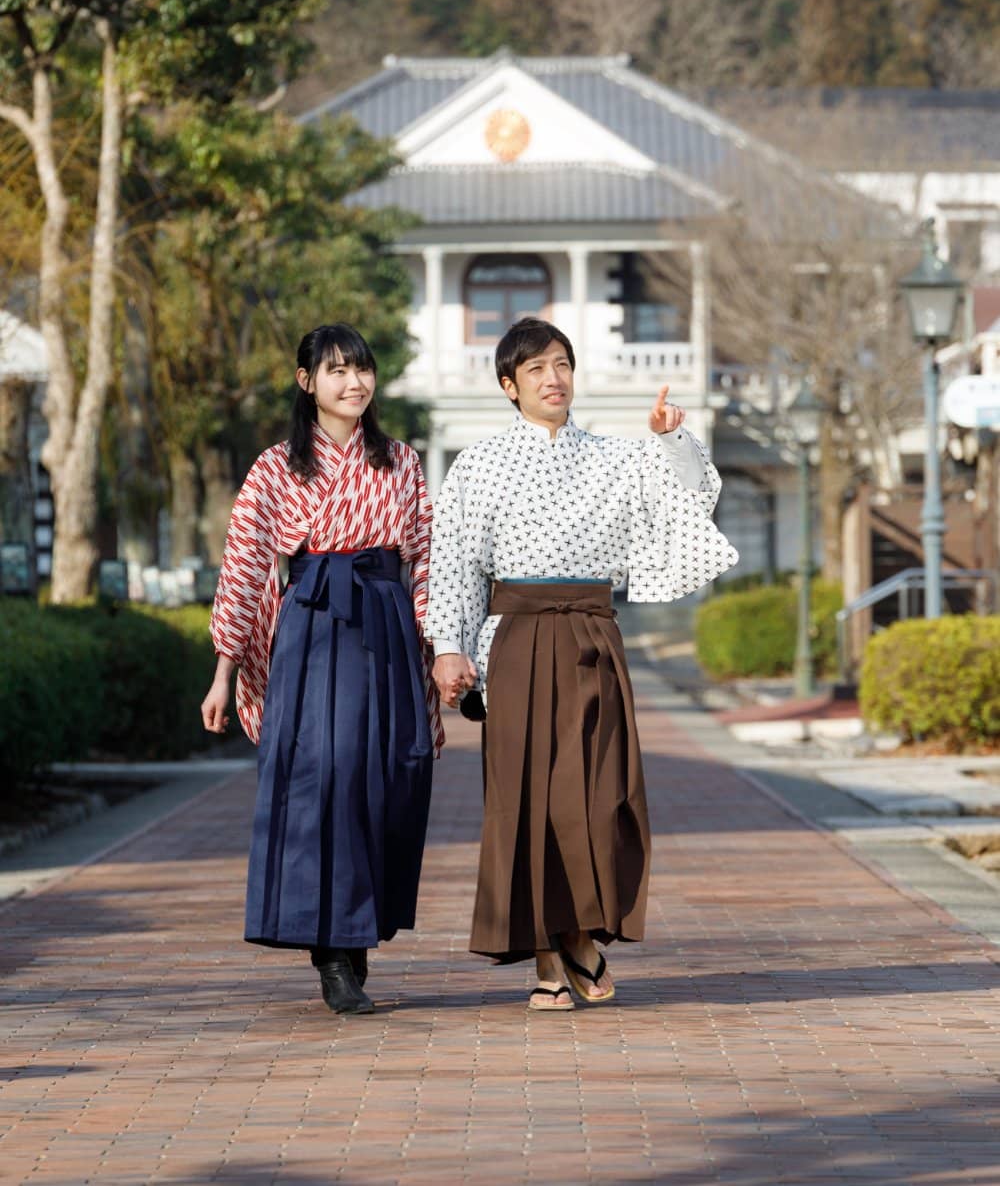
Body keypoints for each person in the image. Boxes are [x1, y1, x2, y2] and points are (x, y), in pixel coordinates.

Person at [427, 317, 737, 1012]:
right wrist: (449, 647)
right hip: (517, 642)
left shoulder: (620, 457)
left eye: (561, 363)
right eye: (535, 368)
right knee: (528, 803)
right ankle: (550, 958)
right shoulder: (477, 464)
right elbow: (452, 565)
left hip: (594, 637)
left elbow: (693, 498)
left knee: (600, 797)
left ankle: (582, 934)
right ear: (509, 385)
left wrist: (670, 438)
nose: (553, 378)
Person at [201, 323, 441, 1016]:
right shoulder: (276, 466)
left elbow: (426, 557)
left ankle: (362, 934)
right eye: (336, 371)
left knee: (387, 774)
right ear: (306, 381)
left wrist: (440, 646)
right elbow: (245, 566)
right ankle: (334, 954)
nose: (354, 383)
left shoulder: (401, 460)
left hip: (389, 624)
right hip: (311, 626)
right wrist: (224, 669)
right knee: (325, 775)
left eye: (362, 369)